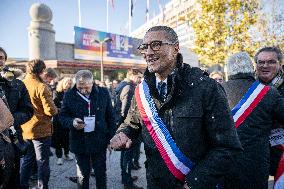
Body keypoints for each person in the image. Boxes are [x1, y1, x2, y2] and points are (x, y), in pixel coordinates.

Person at [110, 26, 242, 189]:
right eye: (145, 47)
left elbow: (227, 146)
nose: (149, 52)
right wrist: (123, 133)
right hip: (156, 183)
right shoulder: (141, 91)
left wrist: (195, 182)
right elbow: (132, 124)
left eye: (156, 44)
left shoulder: (206, 87)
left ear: (176, 48)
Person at [222, 52, 284, 189]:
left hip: (223, 163)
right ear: (252, 68)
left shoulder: (216, 90)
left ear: (228, 70)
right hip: (256, 166)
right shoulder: (269, 93)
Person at [59, 70, 116, 189]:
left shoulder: (103, 92)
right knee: (83, 175)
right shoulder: (69, 94)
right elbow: (62, 116)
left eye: (86, 87)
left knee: (101, 174)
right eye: (80, 87)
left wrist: (111, 139)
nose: (83, 90)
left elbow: (110, 117)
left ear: (92, 83)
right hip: (80, 141)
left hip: (99, 140)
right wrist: (72, 122)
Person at [20, 59, 58, 189]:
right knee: (42, 162)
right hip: (41, 130)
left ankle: (23, 185)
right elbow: (51, 110)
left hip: (25, 128)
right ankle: (43, 187)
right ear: (40, 71)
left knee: (27, 160)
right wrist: (56, 108)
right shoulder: (41, 87)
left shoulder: (22, 83)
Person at [0, 47, 34, 189]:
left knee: (12, 180)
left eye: (1, 57)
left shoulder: (17, 84)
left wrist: (9, 119)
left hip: (12, 140)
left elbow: (28, 110)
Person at [254, 46, 284, 188]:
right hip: (258, 157)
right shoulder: (249, 87)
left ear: (280, 63)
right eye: (260, 62)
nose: (265, 66)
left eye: (271, 62)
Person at [114, 69, 143, 189]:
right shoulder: (129, 88)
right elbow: (126, 109)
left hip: (123, 124)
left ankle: (126, 178)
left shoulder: (123, 85)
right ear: (131, 75)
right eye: (138, 77)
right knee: (127, 154)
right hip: (127, 126)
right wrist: (127, 126)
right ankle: (127, 182)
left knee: (125, 154)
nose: (140, 79)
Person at [52, 77, 74, 165]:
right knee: (58, 137)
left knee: (67, 137)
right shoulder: (56, 92)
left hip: (68, 118)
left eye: (69, 83)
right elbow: (54, 105)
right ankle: (59, 156)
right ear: (62, 83)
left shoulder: (71, 93)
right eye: (66, 83)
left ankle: (67, 153)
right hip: (58, 118)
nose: (68, 84)